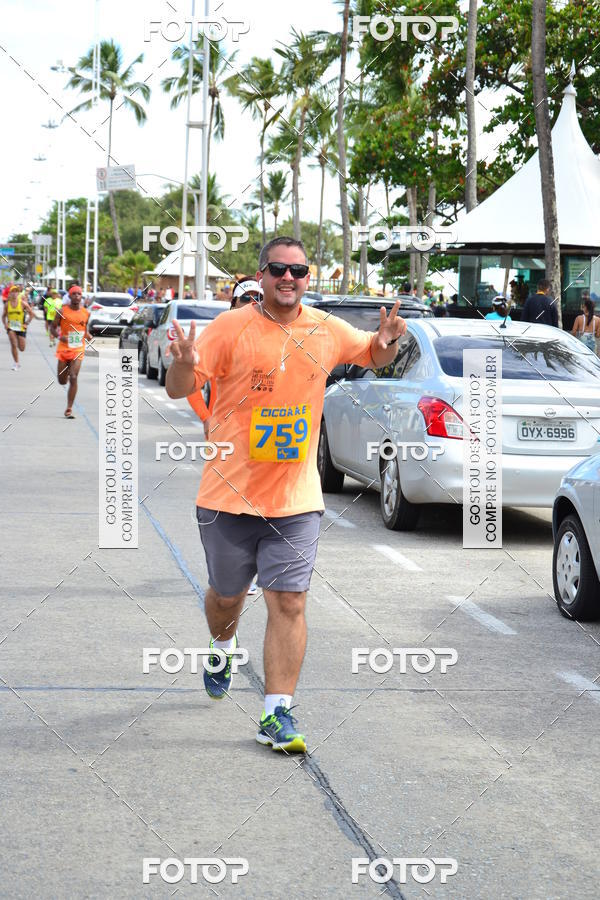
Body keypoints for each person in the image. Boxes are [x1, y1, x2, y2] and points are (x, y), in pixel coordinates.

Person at [165, 235, 407, 753]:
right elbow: (176, 385)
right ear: (263, 276)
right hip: (227, 495)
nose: (289, 279)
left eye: (298, 271)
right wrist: (184, 362)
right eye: (279, 270)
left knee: (290, 602)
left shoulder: (325, 329)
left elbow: (373, 355)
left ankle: (276, 713)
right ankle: (223, 646)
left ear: (308, 278)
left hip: (296, 500)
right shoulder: (231, 328)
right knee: (226, 598)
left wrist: (386, 341)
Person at [51, 284, 91, 419]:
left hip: (78, 349)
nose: (76, 296)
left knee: (73, 377)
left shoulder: (86, 313)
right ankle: (67, 371)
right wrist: (59, 336)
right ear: (69, 296)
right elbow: (52, 328)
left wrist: (88, 335)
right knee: (62, 381)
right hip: (64, 348)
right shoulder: (61, 311)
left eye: (79, 294)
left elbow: (85, 330)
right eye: (74, 294)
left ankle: (69, 408)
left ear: (81, 297)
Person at [3, 286, 33, 370]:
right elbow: (3, 316)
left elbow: (31, 314)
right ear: (10, 293)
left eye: (16, 291)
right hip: (11, 327)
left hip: (21, 327)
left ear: (18, 293)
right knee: (13, 344)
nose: (14, 293)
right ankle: (16, 363)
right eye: (13, 291)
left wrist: (26, 323)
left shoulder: (23, 303)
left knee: (22, 348)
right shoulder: (7, 304)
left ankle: (17, 362)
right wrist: (5, 324)